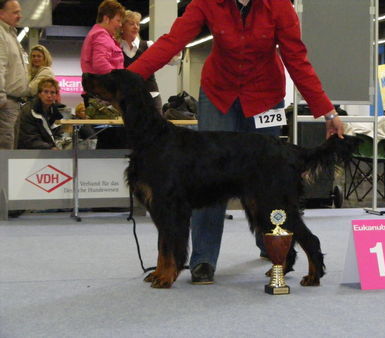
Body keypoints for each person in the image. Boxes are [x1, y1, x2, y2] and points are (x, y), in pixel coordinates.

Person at [127, 0, 344, 284]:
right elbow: (172, 41)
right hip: (220, 94)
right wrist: (129, 78)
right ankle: (203, 259)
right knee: (206, 177)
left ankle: (277, 251)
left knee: (270, 184)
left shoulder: (279, 6)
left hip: (265, 96)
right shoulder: (206, 2)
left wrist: (327, 112)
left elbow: (296, 58)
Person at [120, 10, 181, 115]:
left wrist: (176, 48)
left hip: (151, 98)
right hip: (128, 100)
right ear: (122, 27)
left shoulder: (148, 45)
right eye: (131, 24)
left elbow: (172, 61)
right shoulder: (116, 48)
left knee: (155, 131)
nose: (136, 27)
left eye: (138, 24)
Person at [0, 0, 30, 149]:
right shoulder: (1, 34)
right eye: (15, 12)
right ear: (1, 13)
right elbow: (0, 66)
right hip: (5, 105)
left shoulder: (10, 33)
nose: (20, 16)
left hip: (14, 103)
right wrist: (1, 98)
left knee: (10, 148)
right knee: (5, 150)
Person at [80, 0, 125, 76]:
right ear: (106, 19)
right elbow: (100, 63)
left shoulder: (98, 34)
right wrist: (118, 81)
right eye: (118, 21)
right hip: (106, 85)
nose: (120, 25)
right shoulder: (101, 35)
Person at [18, 78, 64, 150]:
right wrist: (50, 147)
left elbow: (59, 135)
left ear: (56, 95)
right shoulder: (28, 111)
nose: (49, 95)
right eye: (45, 92)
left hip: (48, 151)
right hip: (27, 152)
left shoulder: (55, 113)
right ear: (39, 94)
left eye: (52, 92)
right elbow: (29, 139)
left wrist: (59, 145)